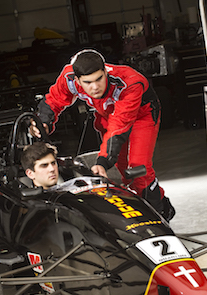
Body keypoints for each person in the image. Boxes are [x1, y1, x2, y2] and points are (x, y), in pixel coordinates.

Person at [31, 49, 175, 221]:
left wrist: (102, 161)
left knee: (138, 167)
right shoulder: (68, 78)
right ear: (77, 80)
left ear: (105, 71)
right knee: (124, 171)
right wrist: (43, 122)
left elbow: (119, 125)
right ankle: (146, 207)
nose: (94, 87)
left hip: (141, 114)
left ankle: (160, 212)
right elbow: (54, 100)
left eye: (99, 79)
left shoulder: (130, 83)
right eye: (87, 82)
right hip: (108, 114)